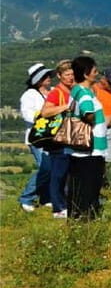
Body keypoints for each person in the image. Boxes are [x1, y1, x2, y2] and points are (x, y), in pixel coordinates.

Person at [67, 56, 108, 219]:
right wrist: (92, 119)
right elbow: (87, 112)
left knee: (77, 185)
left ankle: (76, 215)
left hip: (78, 148)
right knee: (90, 185)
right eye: (94, 71)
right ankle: (88, 216)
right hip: (91, 147)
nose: (96, 74)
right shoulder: (84, 93)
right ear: (86, 74)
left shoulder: (75, 90)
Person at [40, 59, 75, 218]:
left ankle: (64, 203)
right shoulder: (57, 93)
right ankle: (57, 207)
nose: (71, 77)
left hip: (70, 136)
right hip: (58, 138)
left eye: (72, 74)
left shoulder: (72, 90)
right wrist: (65, 107)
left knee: (67, 172)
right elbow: (45, 112)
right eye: (67, 74)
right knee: (58, 173)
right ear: (60, 76)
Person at [19, 63, 55, 212]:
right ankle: (26, 198)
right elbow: (27, 115)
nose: (49, 78)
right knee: (45, 168)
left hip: (51, 136)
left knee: (51, 168)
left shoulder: (52, 91)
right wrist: (46, 115)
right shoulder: (29, 95)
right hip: (37, 137)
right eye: (45, 76)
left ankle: (45, 197)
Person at [93, 68, 111, 166]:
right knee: (97, 157)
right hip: (99, 128)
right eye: (109, 82)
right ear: (103, 79)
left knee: (107, 159)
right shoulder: (95, 89)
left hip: (110, 129)